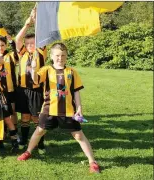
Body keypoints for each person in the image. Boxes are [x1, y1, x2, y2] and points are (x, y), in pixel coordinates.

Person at [17, 42, 100, 174]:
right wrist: (33, 69)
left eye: (63, 55)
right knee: (39, 131)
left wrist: (79, 108)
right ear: (51, 56)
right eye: (57, 55)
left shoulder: (72, 72)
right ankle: (28, 152)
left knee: (78, 135)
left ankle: (92, 162)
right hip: (49, 109)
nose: (60, 58)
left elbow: (76, 92)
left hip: (67, 110)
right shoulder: (46, 69)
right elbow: (36, 80)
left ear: (66, 56)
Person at [14, 8, 47, 152]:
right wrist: (27, 24)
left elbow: (42, 35)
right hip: (22, 90)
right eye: (27, 44)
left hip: (36, 90)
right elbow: (17, 39)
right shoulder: (22, 53)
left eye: (32, 43)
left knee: (36, 118)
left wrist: (36, 20)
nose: (29, 46)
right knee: (25, 117)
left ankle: (40, 143)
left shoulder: (40, 52)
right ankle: (24, 139)